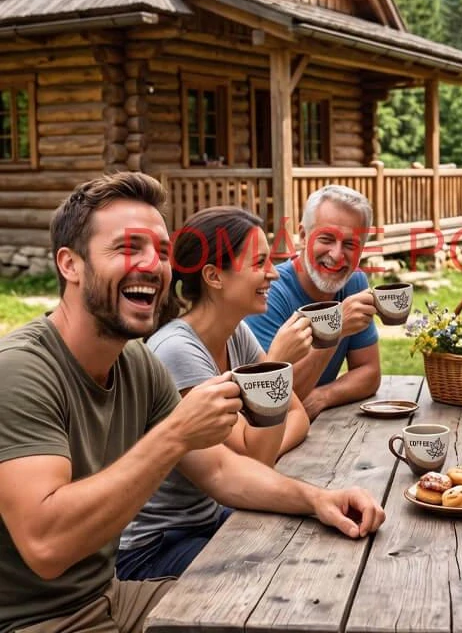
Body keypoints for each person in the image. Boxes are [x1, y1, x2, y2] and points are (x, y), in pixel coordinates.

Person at [0, 173, 385, 633]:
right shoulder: (21, 370)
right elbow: (47, 546)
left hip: (111, 598)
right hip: (40, 622)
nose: (152, 265)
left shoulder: (137, 364)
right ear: (71, 265)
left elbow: (222, 471)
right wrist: (175, 433)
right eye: (128, 248)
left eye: (161, 252)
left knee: (285, 599)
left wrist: (319, 499)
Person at [117, 206, 314, 580]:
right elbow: (258, 456)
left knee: (304, 541)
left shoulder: (235, 332)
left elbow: (297, 415)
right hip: (155, 547)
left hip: (207, 519)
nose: (273, 272)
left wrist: (262, 441)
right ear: (213, 276)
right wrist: (274, 366)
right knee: (280, 571)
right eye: (259, 262)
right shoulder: (177, 351)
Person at [246, 185, 381, 420]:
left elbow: (369, 373)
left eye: (350, 244)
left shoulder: (354, 282)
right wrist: (335, 329)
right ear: (303, 236)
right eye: (326, 239)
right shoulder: (269, 293)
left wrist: (323, 396)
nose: (337, 255)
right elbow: (271, 399)